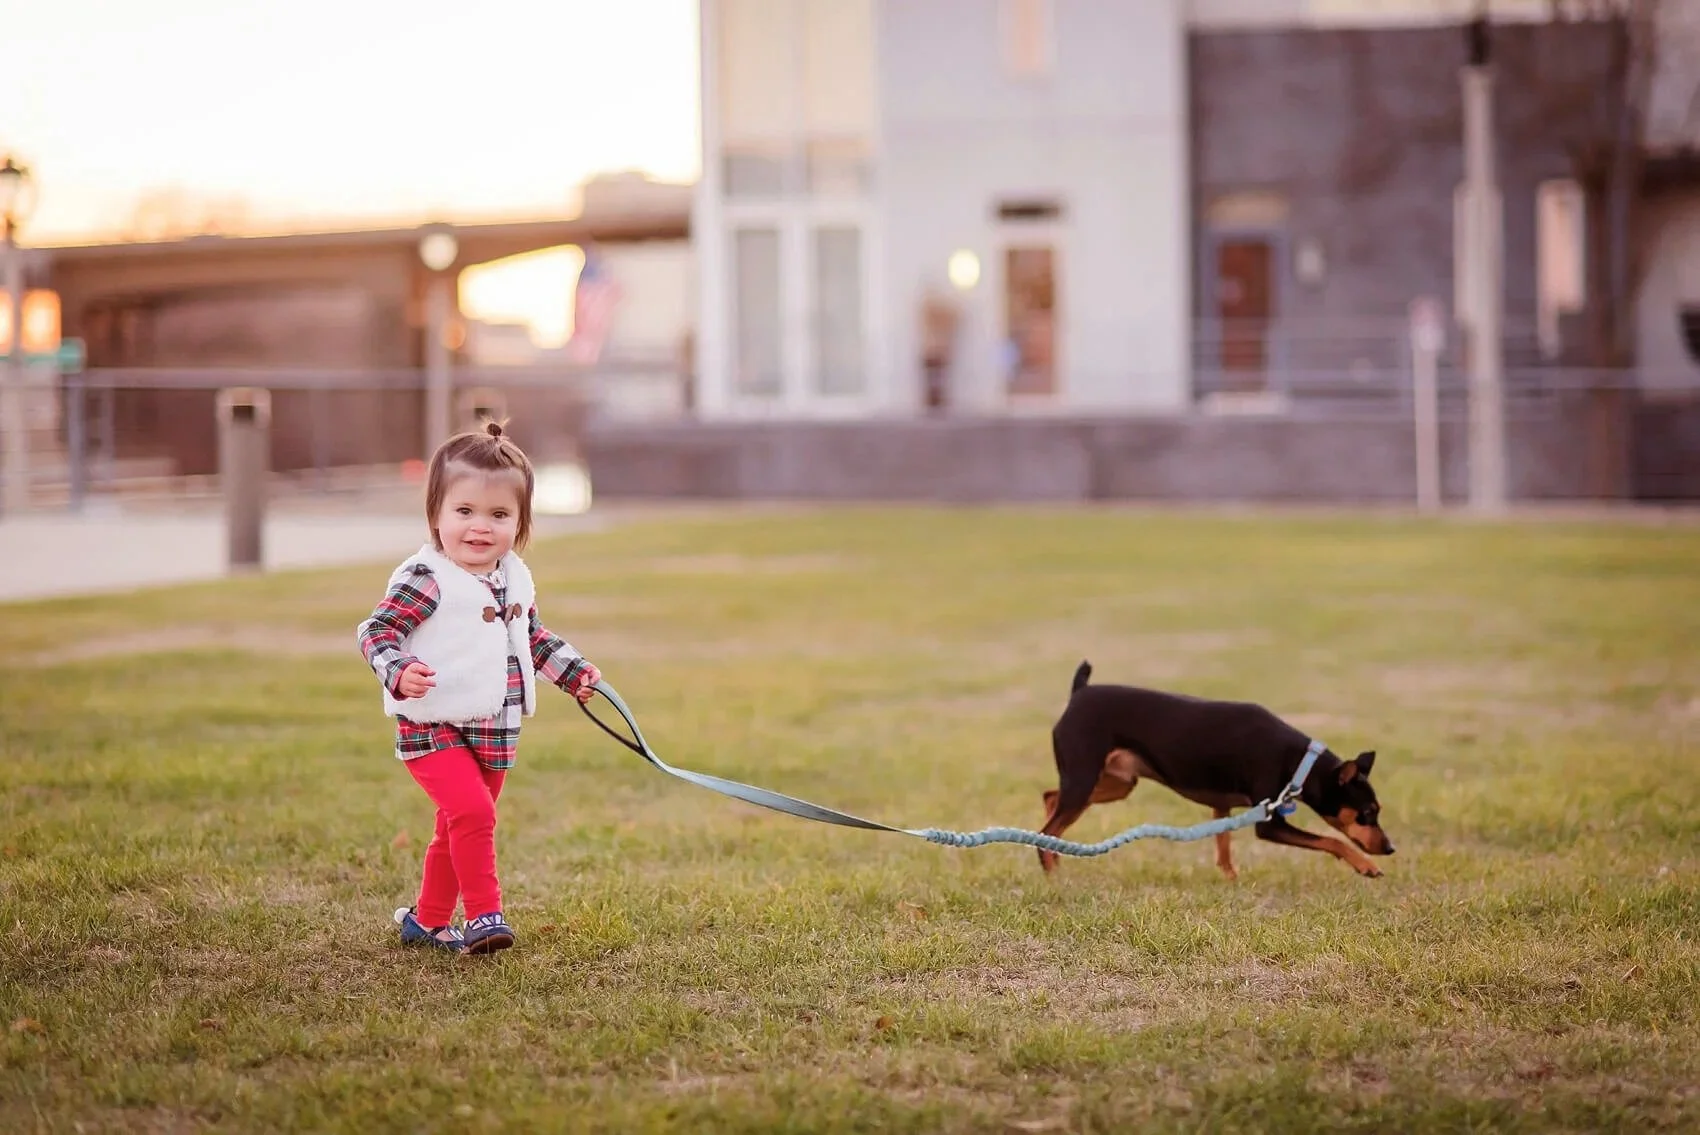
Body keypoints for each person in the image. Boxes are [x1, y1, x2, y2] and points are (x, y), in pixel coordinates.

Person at [356, 420, 601, 955]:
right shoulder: (427, 577)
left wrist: (574, 672)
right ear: (437, 515)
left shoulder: (513, 576)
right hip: (432, 722)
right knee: (473, 814)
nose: (480, 527)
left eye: (498, 514)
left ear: (521, 522)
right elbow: (376, 631)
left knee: (455, 826)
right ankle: (485, 916)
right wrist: (397, 669)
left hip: (494, 726)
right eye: (464, 512)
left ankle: (427, 922)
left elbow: (530, 638)